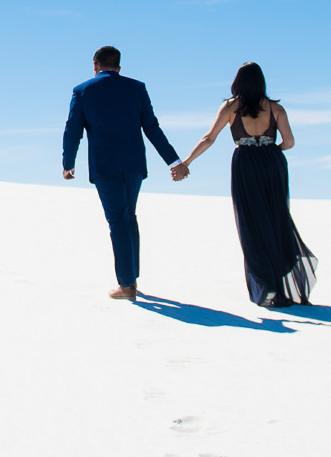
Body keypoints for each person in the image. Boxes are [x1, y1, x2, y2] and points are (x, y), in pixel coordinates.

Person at [173, 62, 316, 307]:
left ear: (238, 82)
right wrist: (271, 152)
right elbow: (289, 142)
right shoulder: (276, 108)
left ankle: (266, 287)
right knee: (275, 219)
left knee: (251, 223)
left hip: (246, 164)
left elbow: (209, 138)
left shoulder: (230, 107)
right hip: (272, 164)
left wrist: (186, 162)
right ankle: (279, 283)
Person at [63, 46, 182, 300]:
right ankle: (132, 277)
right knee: (128, 217)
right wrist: (173, 160)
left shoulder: (83, 91)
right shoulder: (137, 88)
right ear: (119, 67)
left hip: (105, 166)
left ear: (95, 65)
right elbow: (152, 128)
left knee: (118, 221)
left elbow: (73, 130)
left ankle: (127, 286)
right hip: (134, 165)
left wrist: (68, 162)